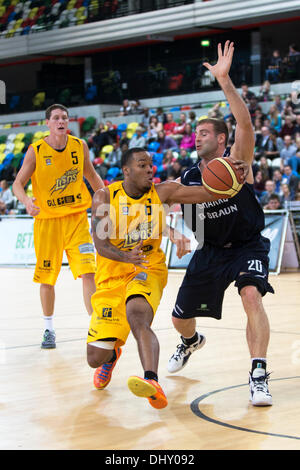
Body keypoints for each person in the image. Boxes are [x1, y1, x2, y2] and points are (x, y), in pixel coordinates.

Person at [86, 145, 248, 409]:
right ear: (126, 171)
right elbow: (101, 245)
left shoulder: (164, 191)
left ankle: (152, 381)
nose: (150, 168)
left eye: (151, 163)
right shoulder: (105, 197)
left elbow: (208, 192)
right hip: (112, 274)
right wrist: (127, 257)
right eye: (142, 164)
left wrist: (235, 178)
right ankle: (111, 354)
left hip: (147, 267)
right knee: (94, 357)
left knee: (138, 317)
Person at [167, 41, 274, 407]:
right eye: (196, 134)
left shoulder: (237, 162)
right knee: (179, 319)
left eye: (205, 134)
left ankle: (258, 373)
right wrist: (178, 235)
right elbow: (178, 211)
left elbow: (245, 122)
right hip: (210, 252)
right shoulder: (190, 177)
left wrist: (225, 81)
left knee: (251, 296)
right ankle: (190, 342)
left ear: (222, 139)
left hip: (247, 245)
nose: (198, 138)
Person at [12, 104, 104, 349]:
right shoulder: (36, 150)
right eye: (56, 118)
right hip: (47, 223)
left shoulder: (79, 146)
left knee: (89, 272)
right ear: (48, 123)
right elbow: (18, 184)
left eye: (64, 117)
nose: (61, 121)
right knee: (47, 280)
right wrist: (25, 201)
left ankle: (97, 327)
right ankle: (48, 329)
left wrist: (107, 201)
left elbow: (92, 176)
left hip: (76, 220)